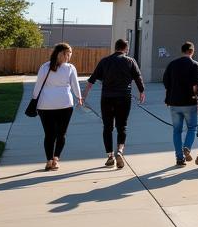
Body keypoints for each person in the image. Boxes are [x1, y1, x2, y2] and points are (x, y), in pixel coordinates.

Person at [84, 38, 145, 169]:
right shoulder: (130, 61)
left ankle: (110, 156)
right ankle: (120, 151)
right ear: (125, 49)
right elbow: (138, 77)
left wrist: (84, 94)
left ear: (115, 48)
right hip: (124, 97)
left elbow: (92, 79)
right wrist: (142, 92)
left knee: (107, 127)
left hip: (107, 97)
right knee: (122, 126)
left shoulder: (104, 61)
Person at [31, 43, 84, 170]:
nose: (69, 56)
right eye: (68, 53)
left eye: (70, 53)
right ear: (61, 53)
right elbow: (75, 85)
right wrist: (79, 96)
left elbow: (38, 86)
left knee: (49, 134)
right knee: (61, 133)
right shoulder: (70, 68)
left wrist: (34, 100)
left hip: (45, 105)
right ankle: (55, 160)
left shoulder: (45, 67)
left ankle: (49, 160)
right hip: (65, 104)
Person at [162, 41, 198, 166]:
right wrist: (197, 96)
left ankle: (179, 158)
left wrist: (169, 97)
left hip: (174, 103)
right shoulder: (195, 65)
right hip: (190, 102)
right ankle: (187, 147)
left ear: (182, 50)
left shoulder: (172, 64)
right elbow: (196, 85)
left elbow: (166, 82)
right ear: (192, 51)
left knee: (177, 131)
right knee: (192, 128)